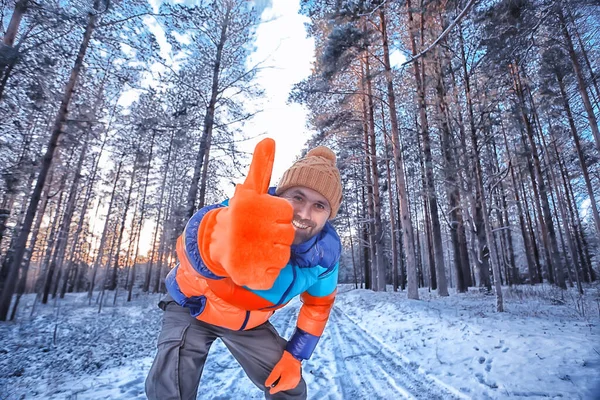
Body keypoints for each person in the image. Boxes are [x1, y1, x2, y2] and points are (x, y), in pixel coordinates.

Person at [145, 138, 343, 400]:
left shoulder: (325, 255)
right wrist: (212, 246)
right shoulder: (250, 209)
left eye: (319, 205)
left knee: (290, 389)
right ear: (279, 195)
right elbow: (195, 236)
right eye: (297, 197)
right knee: (169, 390)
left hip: (249, 321)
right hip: (193, 303)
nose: (304, 213)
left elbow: (317, 307)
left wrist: (295, 356)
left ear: (329, 215)